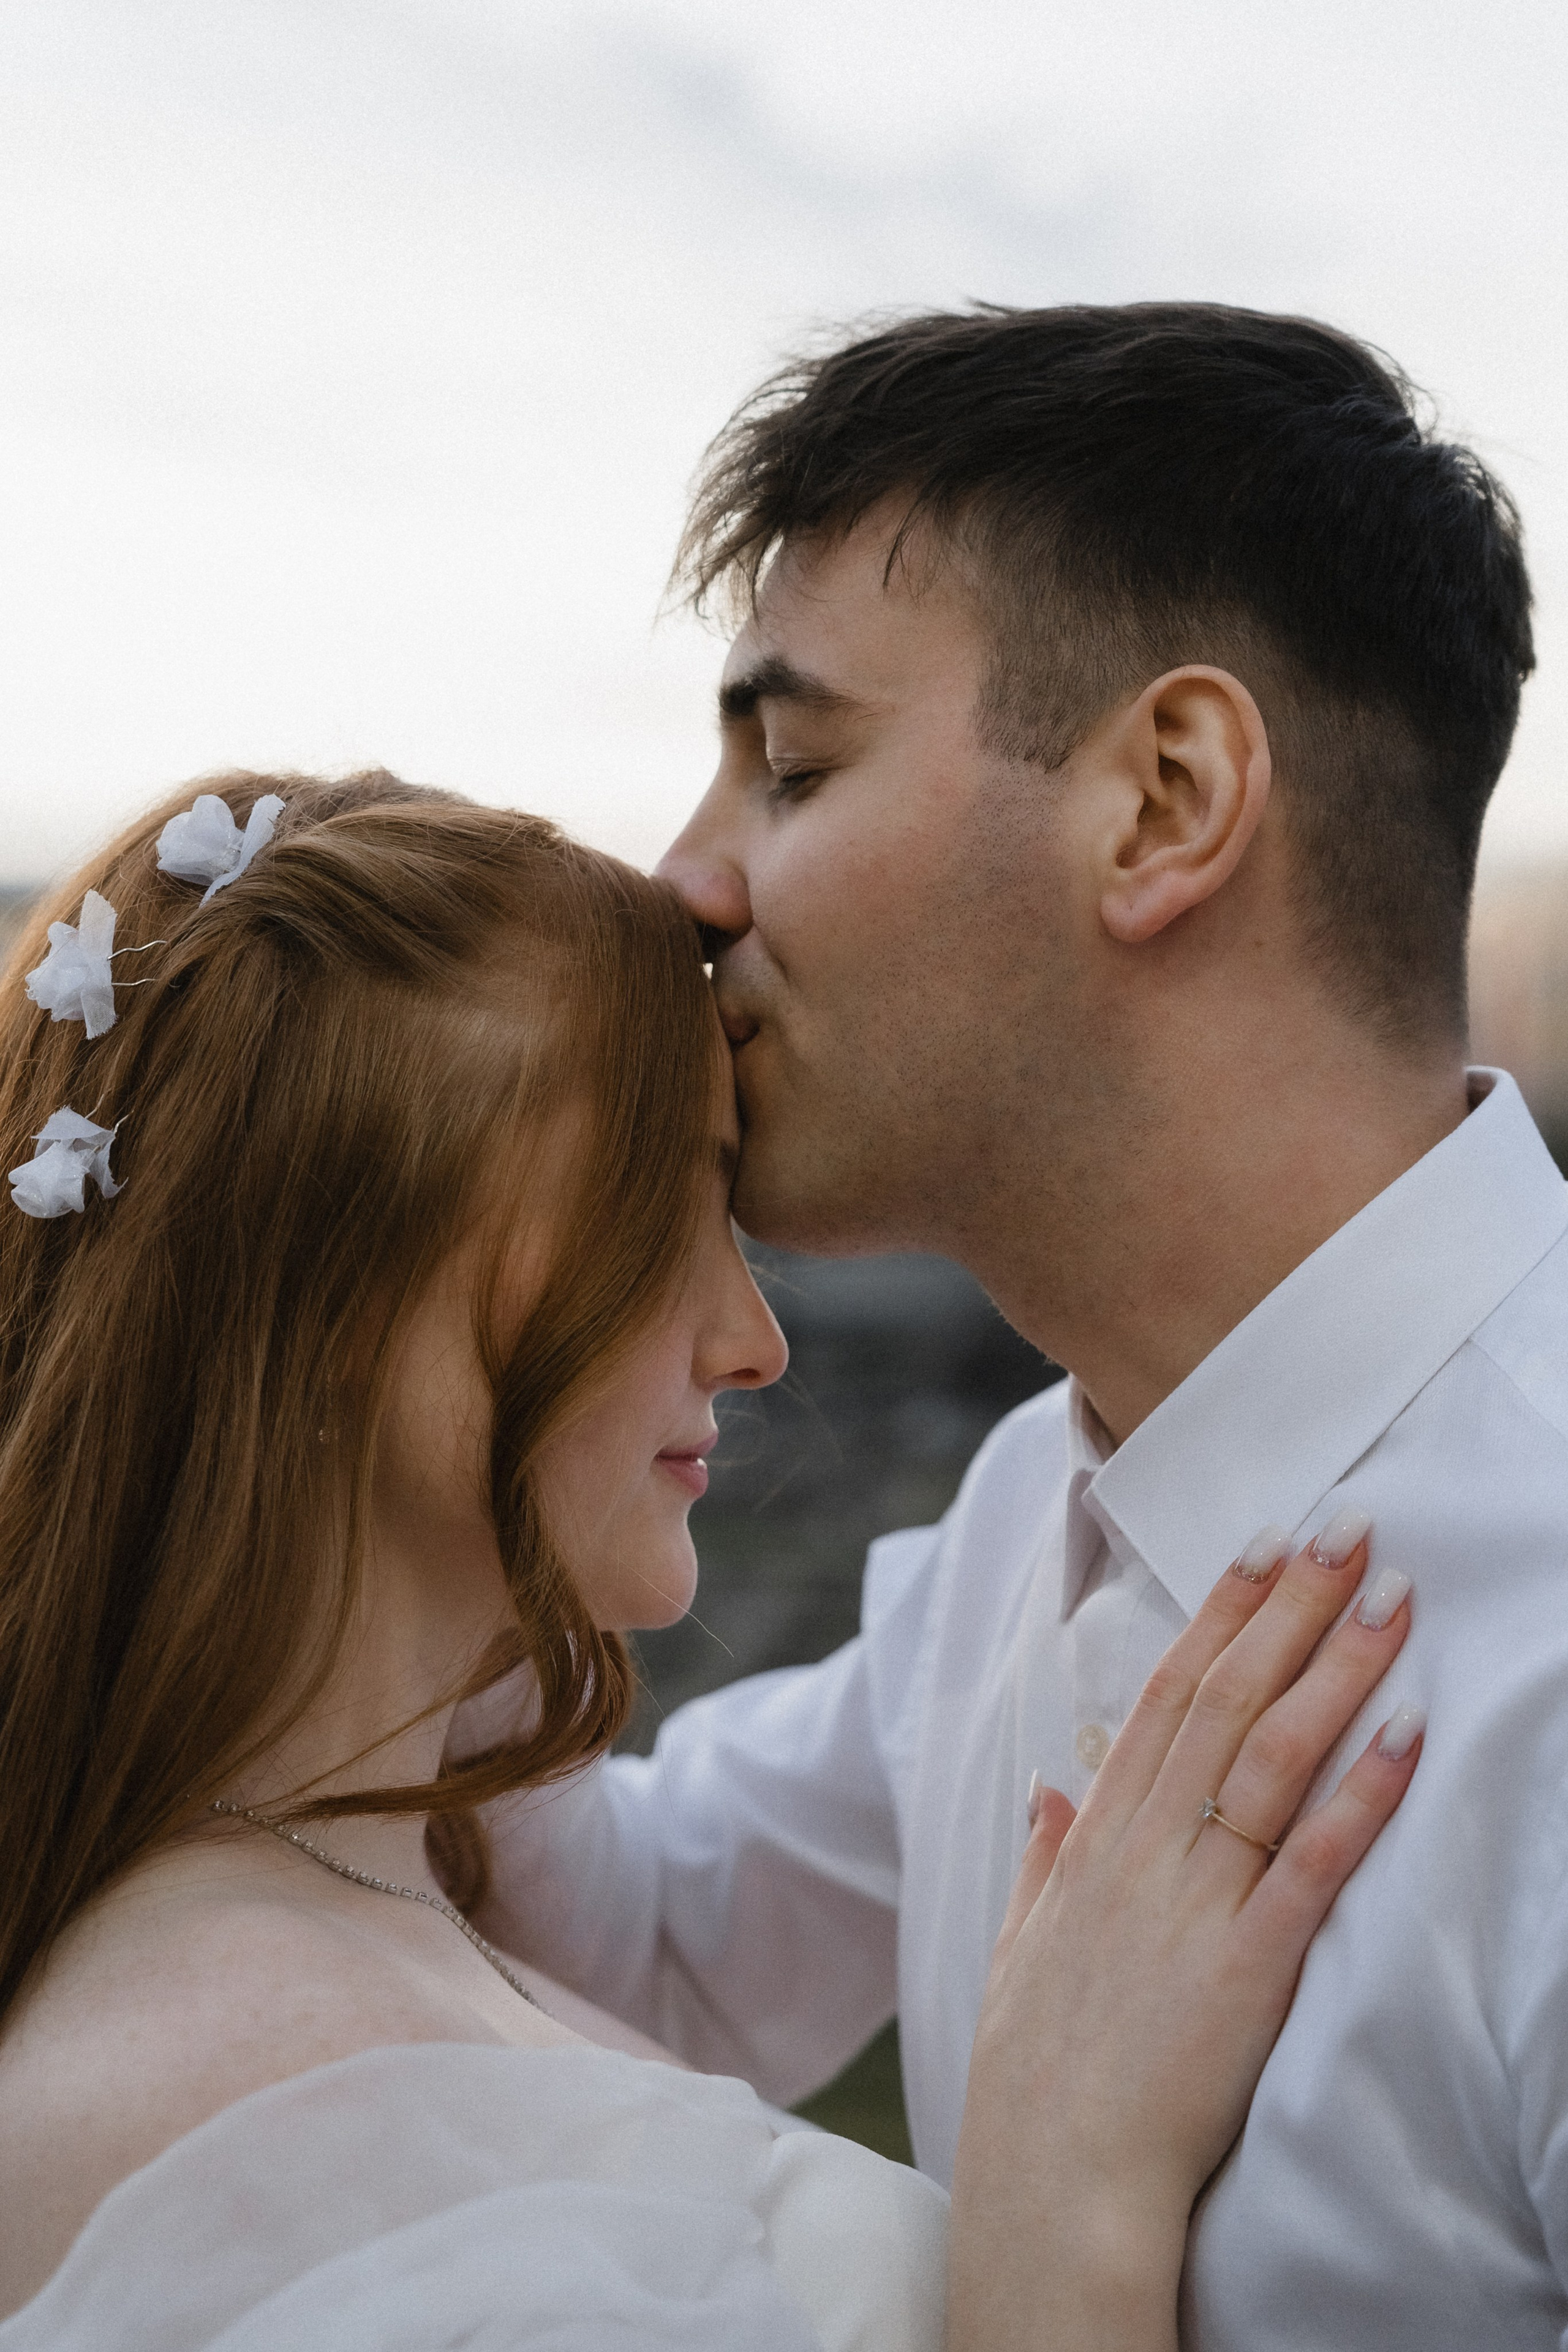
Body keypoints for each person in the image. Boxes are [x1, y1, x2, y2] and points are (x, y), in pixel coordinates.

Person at [468, 303, 1568, 2350]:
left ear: (1163, 800)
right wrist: (420, 1394)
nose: (683, 880)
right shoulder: (1021, 1520)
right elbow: (644, 1952)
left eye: (791, 764)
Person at [0, 771, 1417, 2350]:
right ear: (335, 1295)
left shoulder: (322, 1954)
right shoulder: (304, 2128)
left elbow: (672, 1905)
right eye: (655, 1210)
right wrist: (1067, 2211)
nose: (755, 1340)